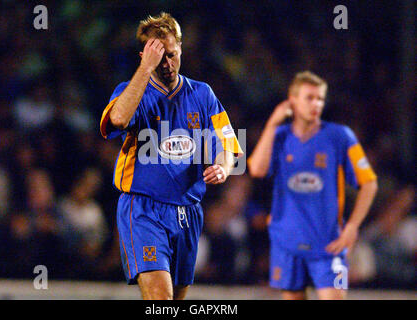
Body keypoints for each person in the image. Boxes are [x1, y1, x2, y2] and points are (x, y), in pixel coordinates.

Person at [99, 12, 243, 300]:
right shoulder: (131, 92)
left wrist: (223, 167)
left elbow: (227, 144)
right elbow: (117, 119)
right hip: (143, 209)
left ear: (181, 49)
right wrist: (144, 69)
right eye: (159, 57)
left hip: (187, 212)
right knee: (161, 302)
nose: (167, 64)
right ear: (145, 56)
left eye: (172, 55)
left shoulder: (202, 94)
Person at [248, 71, 378, 300]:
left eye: (320, 98)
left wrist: (353, 226)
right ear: (292, 100)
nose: (316, 104)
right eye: (309, 97)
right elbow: (257, 169)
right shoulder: (278, 136)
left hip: (329, 244)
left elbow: (369, 183)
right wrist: (272, 123)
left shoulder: (340, 136)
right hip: (286, 242)